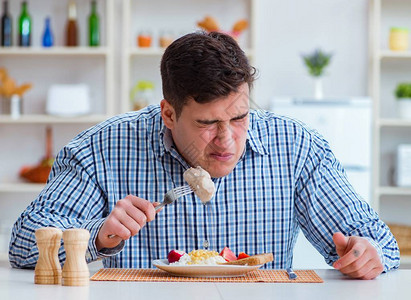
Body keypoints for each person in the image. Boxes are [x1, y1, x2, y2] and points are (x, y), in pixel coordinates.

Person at [9, 31, 399, 280]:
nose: (227, 140)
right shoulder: (102, 148)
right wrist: (99, 236)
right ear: (168, 113)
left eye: (240, 116)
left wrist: (367, 254)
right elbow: (24, 247)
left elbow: (379, 242)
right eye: (207, 123)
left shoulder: (296, 147)